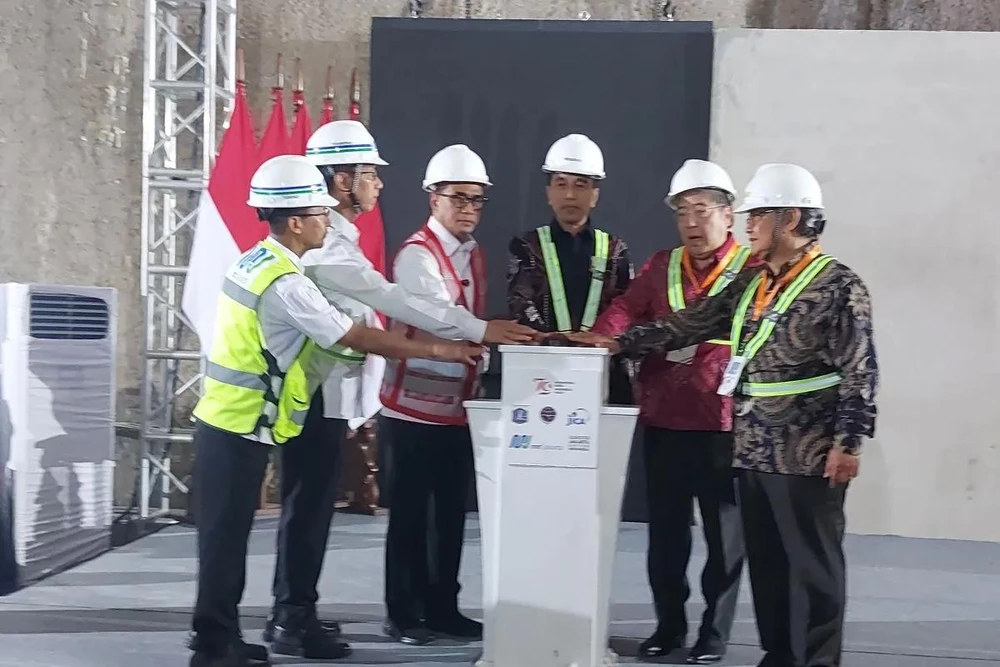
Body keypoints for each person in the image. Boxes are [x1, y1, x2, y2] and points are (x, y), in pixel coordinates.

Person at [571, 164, 879, 667]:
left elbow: (860, 372)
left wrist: (849, 444)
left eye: (758, 215)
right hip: (752, 442)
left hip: (810, 448)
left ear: (791, 217)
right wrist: (619, 342)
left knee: (813, 566)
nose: (748, 225)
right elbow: (693, 321)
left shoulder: (839, 285)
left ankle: (816, 661)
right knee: (768, 563)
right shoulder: (755, 281)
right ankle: (779, 654)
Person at [187, 154, 484, 667]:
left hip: (234, 421)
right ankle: (214, 644)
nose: (330, 218)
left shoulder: (257, 259)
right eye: (321, 211)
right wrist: (445, 349)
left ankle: (218, 637)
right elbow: (355, 334)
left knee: (226, 540)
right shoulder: (287, 282)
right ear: (297, 221)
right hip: (237, 422)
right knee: (225, 543)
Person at [259, 121, 539, 657]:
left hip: (331, 394)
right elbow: (394, 301)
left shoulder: (341, 238)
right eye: (370, 174)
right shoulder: (327, 250)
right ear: (342, 181)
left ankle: (298, 611)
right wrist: (475, 334)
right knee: (308, 508)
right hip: (314, 397)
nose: (379, 185)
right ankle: (292, 617)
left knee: (315, 508)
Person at [591, 159, 749, 664]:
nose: (692, 224)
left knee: (726, 542)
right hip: (664, 420)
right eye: (683, 213)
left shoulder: (750, 271)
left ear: (729, 215)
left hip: (723, 424)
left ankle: (715, 634)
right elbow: (625, 308)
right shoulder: (661, 266)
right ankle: (669, 626)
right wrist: (605, 335)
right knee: (665, 538)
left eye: (702, 211)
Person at [379, 144, 493, 646]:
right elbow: (435, 317)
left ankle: (443, 608)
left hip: (455, 413)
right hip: (410, 413)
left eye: (477, 200)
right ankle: (403, 613)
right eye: (459, 197)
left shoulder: (474, 255)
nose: (469, 207)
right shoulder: (416, 256)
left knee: (448, 519)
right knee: (408, 519)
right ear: (433, 198)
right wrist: (488, 332)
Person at [507, 133, 633, 402]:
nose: (570, 194)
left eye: (581, 185)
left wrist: (601, 340)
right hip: (541, 376)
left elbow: (628, 307)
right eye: (560, 183)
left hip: (603, 374)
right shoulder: (526, 246)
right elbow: (519, 303)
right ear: (548, 193)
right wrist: (559, 343)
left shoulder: (615, 250)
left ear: (594, 195)